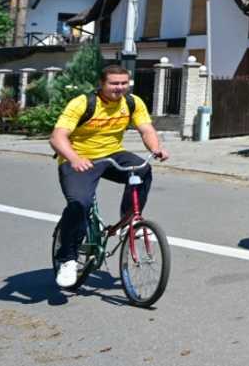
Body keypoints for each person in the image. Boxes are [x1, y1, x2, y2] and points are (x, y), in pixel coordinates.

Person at [50, 64, 169, 288]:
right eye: (114, 83)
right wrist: (74, 158)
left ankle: (129, 220)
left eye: (124, 83)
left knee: (142, 169)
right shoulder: (83, 103)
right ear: (102, 84)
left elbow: (147, 130)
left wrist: (156, 148)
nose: (119, 88)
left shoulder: (132, 103)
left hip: (112, 155)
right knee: (79, 204)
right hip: (79, 160)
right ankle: (67, 259)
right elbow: (57, 137)